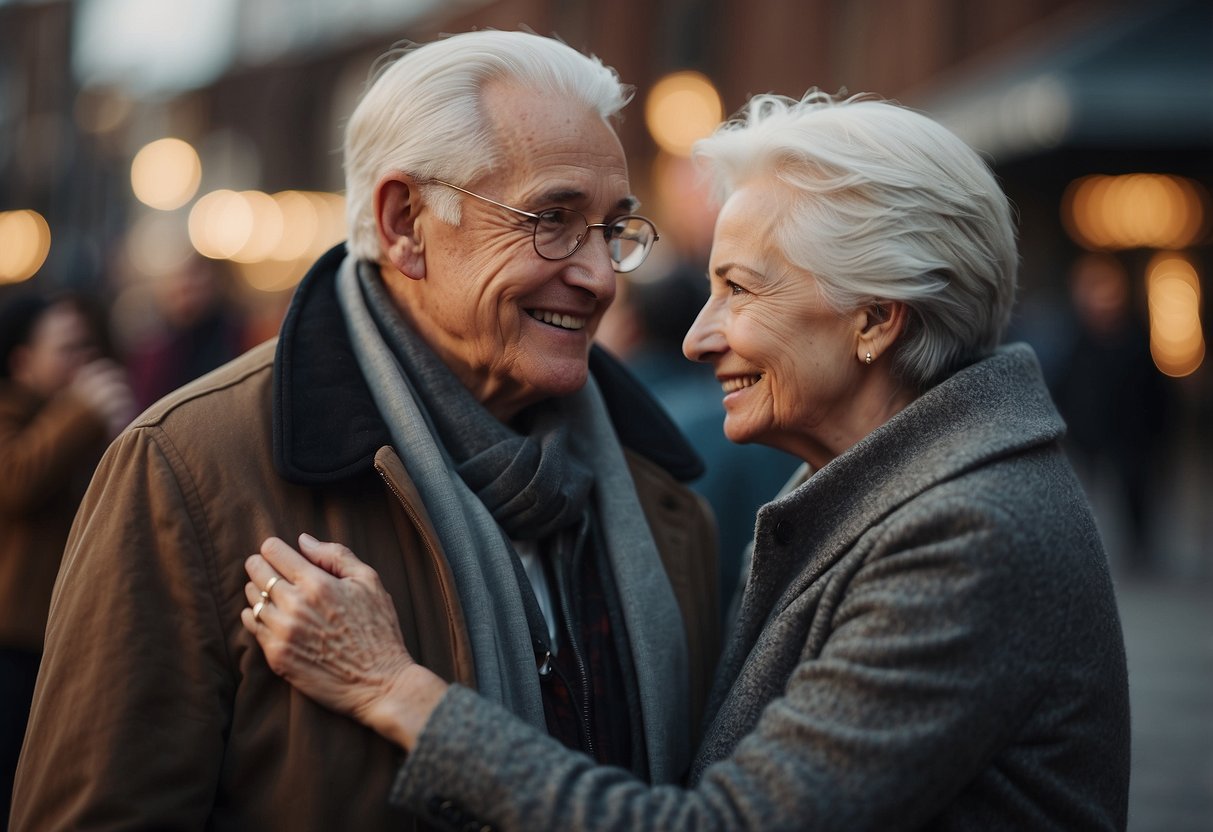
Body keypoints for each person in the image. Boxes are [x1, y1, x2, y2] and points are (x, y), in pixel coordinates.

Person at [241, 90, 1131, 831]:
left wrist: (395, 691)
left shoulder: (966, 538)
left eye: (739, 289)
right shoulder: (898, 485)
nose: (701, 338)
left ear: (874, 319)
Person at [12, 31, 719, 831]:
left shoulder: (665, 498)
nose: (596, 275)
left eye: (611, 228)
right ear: (404, 221)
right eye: (551, 219)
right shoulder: (188, 469)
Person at [0, 293, 134, 830]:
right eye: (66, 349)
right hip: (12, 640)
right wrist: (83, 410)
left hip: (62, 631)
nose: (82, 364)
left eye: (87, 347)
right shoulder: (17, 411)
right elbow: (15, 481)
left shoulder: (71, 419)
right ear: (23, 361)